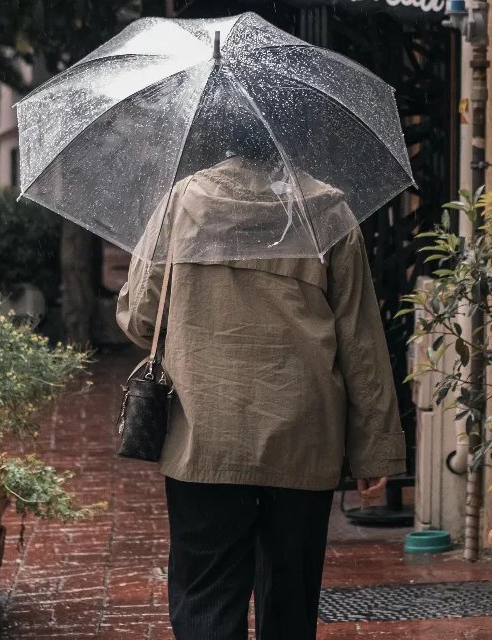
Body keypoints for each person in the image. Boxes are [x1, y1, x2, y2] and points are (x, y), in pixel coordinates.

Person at [116, 124, 406, 640]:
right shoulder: (327, 210)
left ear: (221, 133)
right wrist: (374, 452)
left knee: (206, 596)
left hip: (205, 433)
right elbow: (361, 343)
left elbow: (141, 317)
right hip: (304, 437)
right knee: (291, 602)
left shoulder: (181, 203)